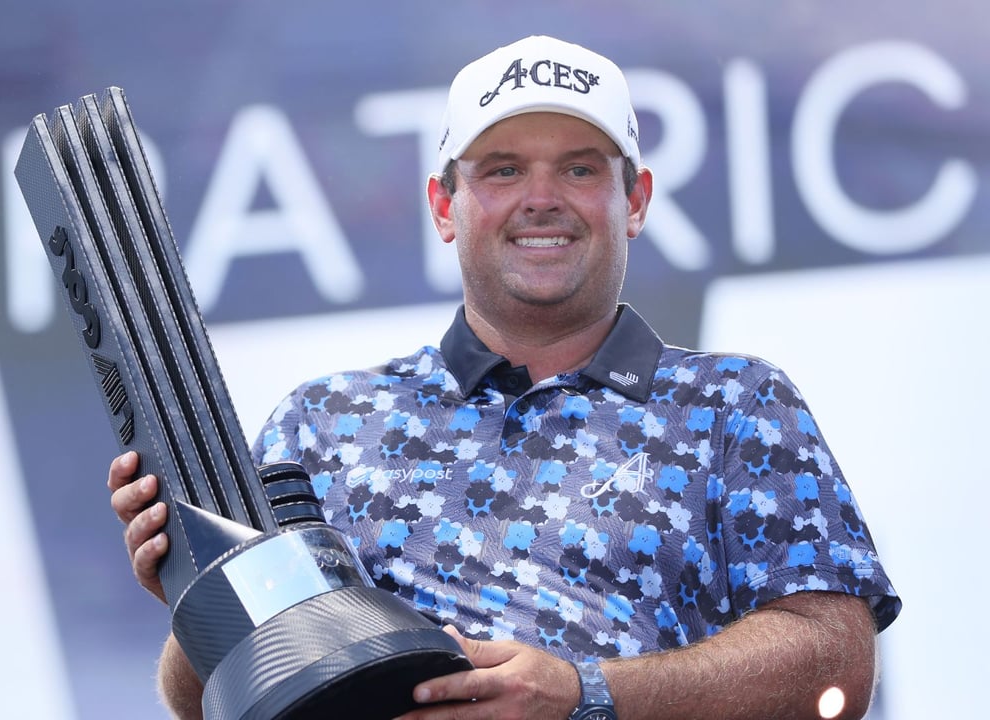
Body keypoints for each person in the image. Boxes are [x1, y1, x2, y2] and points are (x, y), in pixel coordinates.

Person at [109, 35, 900, 720]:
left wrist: (584, 693)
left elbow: (835, 669)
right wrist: (203, 601)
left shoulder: (738, 406)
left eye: (582, 169)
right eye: (503, 170)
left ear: (636, 200)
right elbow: (228, 702)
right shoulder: (323, 424)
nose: (542, 200)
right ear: (445, 206)